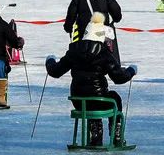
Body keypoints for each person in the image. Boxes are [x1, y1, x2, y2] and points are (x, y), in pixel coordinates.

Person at [45, 12, 137, 147]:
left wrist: (50, 61)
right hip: (99, 100)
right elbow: (119, 78)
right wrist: (131, 70)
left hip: (78, 101)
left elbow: (55, 71)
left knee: (91, 98)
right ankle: (116, 136)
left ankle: (96, 135)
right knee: (114, 98)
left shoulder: (74, 50)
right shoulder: (104, 52)